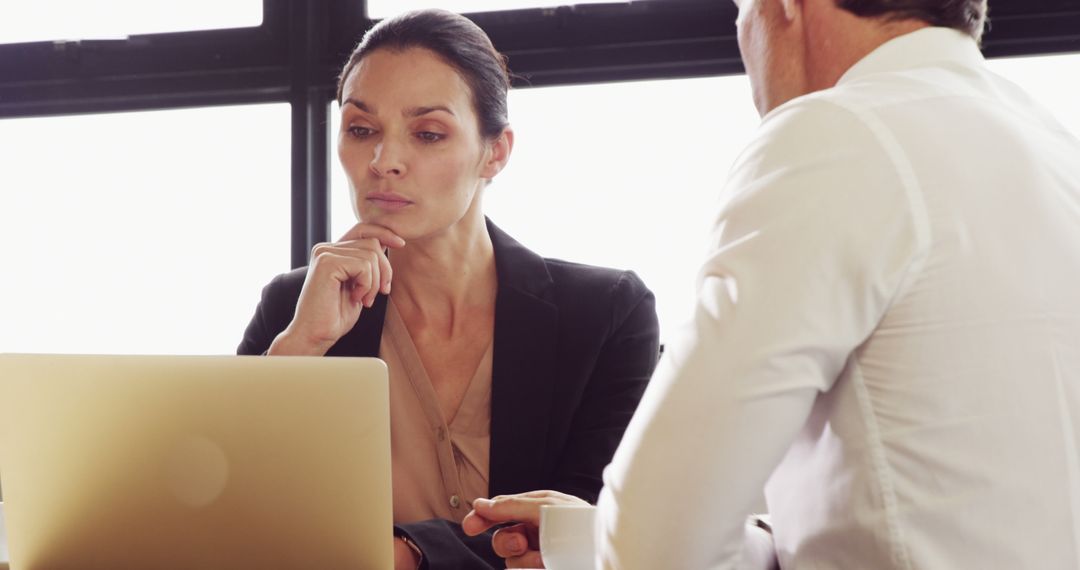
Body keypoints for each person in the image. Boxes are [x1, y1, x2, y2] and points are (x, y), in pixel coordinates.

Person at [467, 0, 1080, 568]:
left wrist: (624, 533)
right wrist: (588, 538)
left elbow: (653, 547)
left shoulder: (836, 132)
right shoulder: (1050, 144)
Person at [236, 9, 660, 570]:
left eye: (428, 134)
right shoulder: (292, 311)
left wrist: (406, 553)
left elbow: (588, 533)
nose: (384, 162)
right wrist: (301, 347)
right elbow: (231, 518)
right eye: (361, 130)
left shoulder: (606, 314)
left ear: (496, 152)